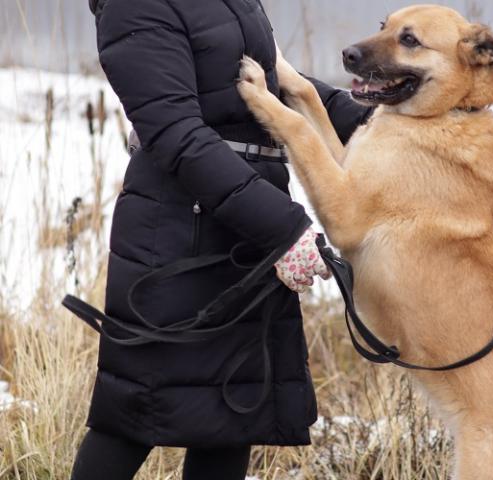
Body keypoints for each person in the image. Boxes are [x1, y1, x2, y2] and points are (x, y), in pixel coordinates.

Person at [70, 0, 371, 479]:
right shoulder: (135, 7)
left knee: (234, 412)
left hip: (246, 230)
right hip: (175, 232)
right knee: (135, 410)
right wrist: (285, 228)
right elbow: (176, 134)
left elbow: (279, 89)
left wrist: (386, 119)